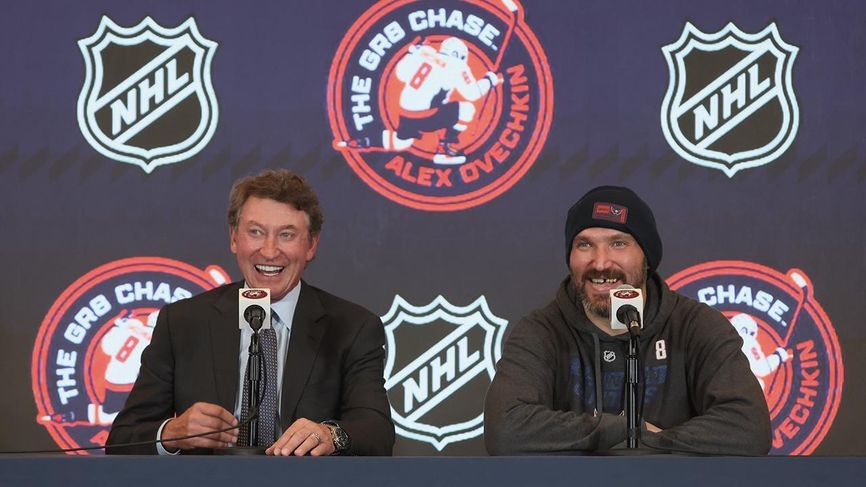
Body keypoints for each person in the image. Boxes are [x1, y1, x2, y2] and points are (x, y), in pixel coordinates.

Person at [106, 169, 394, 456]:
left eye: (286, 235)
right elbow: (122, 441)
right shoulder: (181, 323)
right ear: (234, 238)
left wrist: (331, 434)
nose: (269, 252)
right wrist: (171, 433)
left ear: (311, 245)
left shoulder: (352, 327)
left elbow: (376, 430)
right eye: (255, 232)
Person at [483, 186, 771, 455]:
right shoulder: (540, 332)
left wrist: (648, 441)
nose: (600, 263)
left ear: (646, 257)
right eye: (585, 245)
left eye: (618, 243)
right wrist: (626, 430)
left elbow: (749, 428)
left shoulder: (697, 326)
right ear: (570, 256)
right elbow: (505, 430)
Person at [336, 37, 501, 165]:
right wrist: (490, 80)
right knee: (467, 110)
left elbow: (400, 74)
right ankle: (445, 147)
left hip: (406, 113)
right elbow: (473, 93)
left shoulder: (424, 53)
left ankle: (361, 141)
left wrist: (412, 53)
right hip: (426, 115)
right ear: (459, 55)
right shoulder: (457, 65)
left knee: (401, 142)